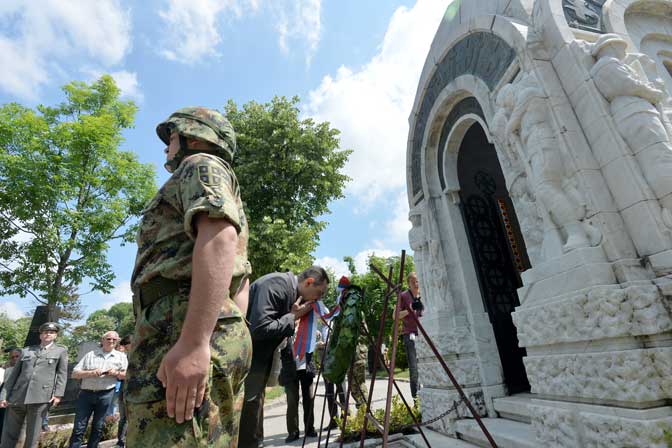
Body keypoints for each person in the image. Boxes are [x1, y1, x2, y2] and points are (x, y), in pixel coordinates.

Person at [126, 107, 253, 447]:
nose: (167, 146)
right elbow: (241, 282)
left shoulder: (199, 165)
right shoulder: (220, 183)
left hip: (179, 320)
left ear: (194, 136)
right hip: (195, 320)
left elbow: (220, 240)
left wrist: (196, 342)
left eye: (171, 136)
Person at [239, 266, 329, 448]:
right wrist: (292, 316)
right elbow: (259, 328)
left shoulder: (290, 292)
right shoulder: (276, 285)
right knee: (248, 411)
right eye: (318, 293)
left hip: (258, 360)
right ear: (309, 282)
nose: (318, 299)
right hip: (246, 359)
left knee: (254, 409)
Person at [0, 322, 68, 448]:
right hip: (17, 397)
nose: (48, 334)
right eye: (45, 332)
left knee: (32, 436)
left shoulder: (60, 351)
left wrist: (58, 395)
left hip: (40, 398)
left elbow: (62, 374)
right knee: (9, 433)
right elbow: (14, 375)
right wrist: (4, 395)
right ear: (40, 335)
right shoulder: (27, 351)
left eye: (51, 332)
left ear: (55, 335)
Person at [68, 331, 127, 448]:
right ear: (102, 340)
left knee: (98, 426)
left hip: (106, 394)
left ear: (117, 342)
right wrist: (90, 373)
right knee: (79, 427)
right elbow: (74, 374)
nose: (111, 341)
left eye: (114, 340)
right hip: (86, 394)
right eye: (108, 339)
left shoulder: (121, 357)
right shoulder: (90, 355)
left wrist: (116, 373)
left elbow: (126, 375)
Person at [278, 334, 317, 443]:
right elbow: (279, 347)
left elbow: (314, 341)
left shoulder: (308, 325)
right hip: (290, 369)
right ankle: (293, 432)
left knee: (309, 399)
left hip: (306, 367)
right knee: (292, 402)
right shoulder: (285, 327)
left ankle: (309, 429)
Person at [399, 272, 424, 400]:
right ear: (408, 283)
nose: (416, 283)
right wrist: (409, 308)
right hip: (410, 334)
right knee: (414, 369)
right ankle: (416, 400)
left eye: (417, 281)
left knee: (427, 366)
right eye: (413, 281)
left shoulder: (423, 293)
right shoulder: (403, 295)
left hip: (424, 334)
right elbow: (395, 316)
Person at [114, 336, 131, 448]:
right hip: (124, 391)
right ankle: (120, 442)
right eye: (125, 344)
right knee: (123, 418)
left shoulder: (139, 356)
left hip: (135, 392)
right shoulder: (123, 357)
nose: (125, 346)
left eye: (127, 344)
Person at [0, 349, 21, 439]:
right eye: (12, 357)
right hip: (5, 402)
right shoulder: (7, 371)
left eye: (17, 356)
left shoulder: (28, 371)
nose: (15, 359)